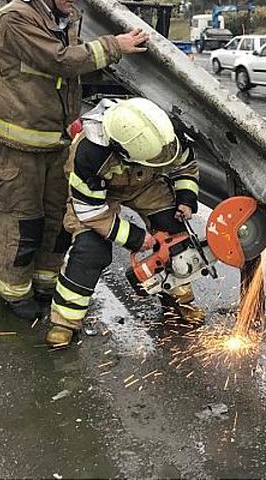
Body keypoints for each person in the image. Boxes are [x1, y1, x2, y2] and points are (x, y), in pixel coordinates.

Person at [0, 0, 149, 320]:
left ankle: (46, 283)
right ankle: (14, 294)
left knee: (56, 222)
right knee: (21, 223)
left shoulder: (65, 18)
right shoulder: (15, 18)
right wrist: (114, 45)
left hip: (57, 143)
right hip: (17, 146)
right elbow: (60, 60)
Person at [46, 98, 202, 347]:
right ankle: (65, 321)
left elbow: (186, 167)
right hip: (99, 195)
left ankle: (179, 300)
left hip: (145, 183)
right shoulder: (90, 155)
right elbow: (90, 212)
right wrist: (136, 238)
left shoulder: (167, 135)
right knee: (90, 251)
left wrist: (186, 198)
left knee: (173, 234)